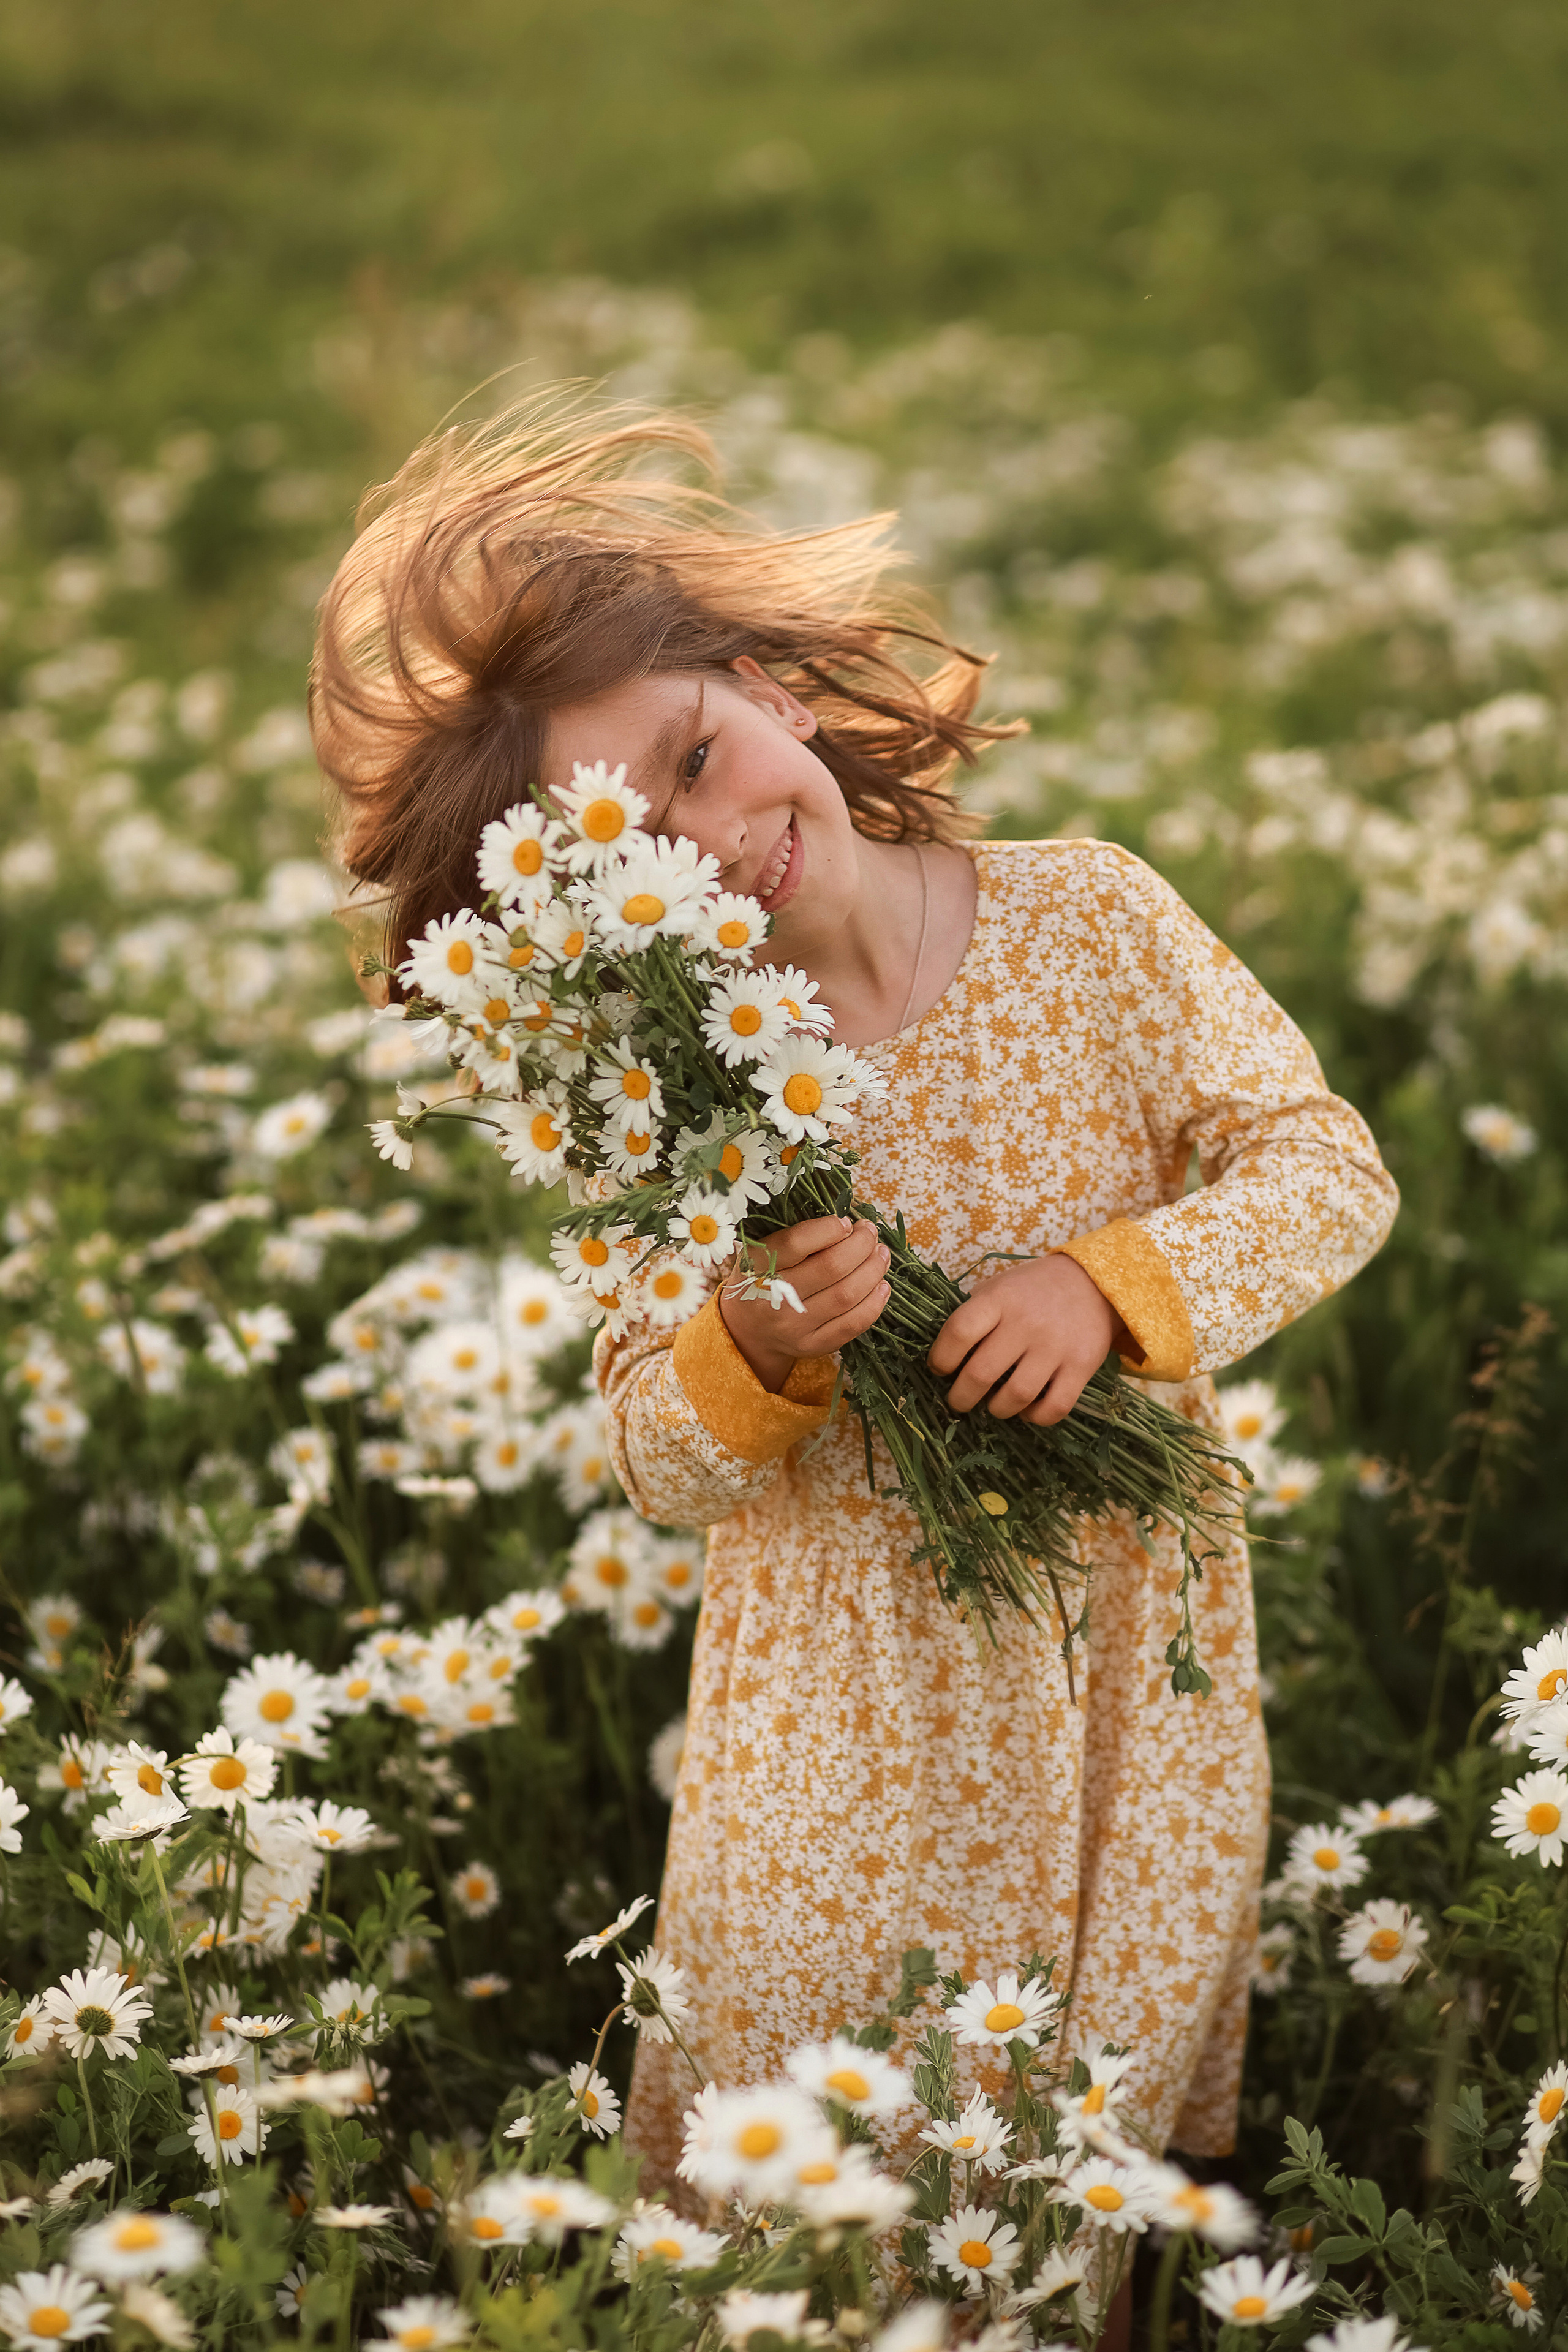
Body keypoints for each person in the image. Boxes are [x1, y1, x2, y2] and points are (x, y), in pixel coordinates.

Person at [311, 390, 1398, 2202]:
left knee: (1077, 2168)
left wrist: (1106, 1288)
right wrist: (750, 1343)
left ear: (771, 691)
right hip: (848, 1740)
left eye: (691, 756)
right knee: (826, 2187)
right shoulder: (663, 1104)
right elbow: (660, 1457)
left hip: (1121, 1673)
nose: (711, 835)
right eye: (633, 852)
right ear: (592, 928)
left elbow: (1329, 1169)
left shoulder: (1090, 923)